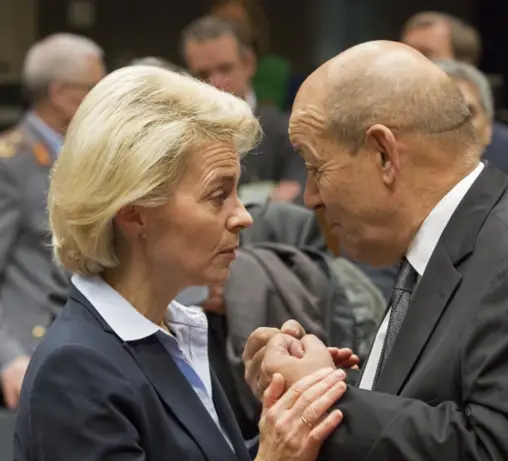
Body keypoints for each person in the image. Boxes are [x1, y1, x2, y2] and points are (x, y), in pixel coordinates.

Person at [243, 41, 508, 460]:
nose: (311, 197)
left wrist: (322, 399)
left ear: (384, 155)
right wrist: (336, 382)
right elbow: (434, 400)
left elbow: (498, 450)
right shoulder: (445, 244)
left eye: (317, 167)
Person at [13, 65, 351, 461]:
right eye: (217, 194)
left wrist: (290, 411)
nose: (243, 216)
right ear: (134, 213)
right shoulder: (75, 369)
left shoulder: (171, 330)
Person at [0, 33, 105, 410]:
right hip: (29, 356)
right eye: (93, 89)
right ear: (61, 93)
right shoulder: (10, 163)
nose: (101, 101)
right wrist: (6, 358)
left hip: (82, 345)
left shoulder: (84, 155)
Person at [401, 11, 508, 196]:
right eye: (407, 52)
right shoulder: (384, 133)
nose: (411, 63)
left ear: (462, 64)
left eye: (426, 53)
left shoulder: (503, 145)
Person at [182, 16, 305, 204]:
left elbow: (297, 200)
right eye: (203, 74)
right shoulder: (182, 140)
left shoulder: (288, 132)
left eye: (225, 69)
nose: (216, 83)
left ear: (249, 64)